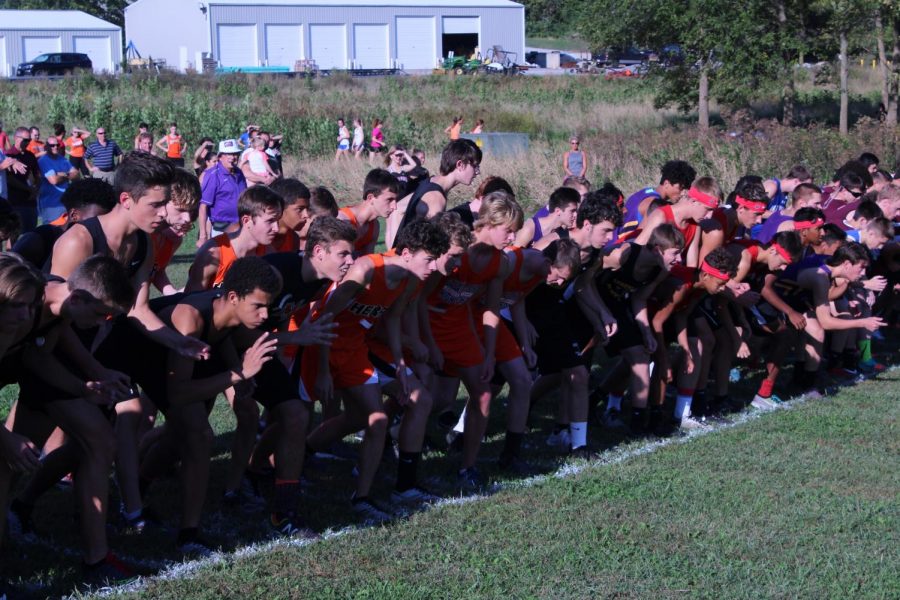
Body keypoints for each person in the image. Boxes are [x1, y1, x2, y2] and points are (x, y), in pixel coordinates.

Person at [2, 253, 138, 586]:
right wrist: (4, 437)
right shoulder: (20, 307)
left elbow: (38, 356)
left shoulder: (46, 305)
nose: (103, 323)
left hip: (31, 373)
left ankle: (93, 557)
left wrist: (89, 383)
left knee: (95, 442)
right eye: (100, 314)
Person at [304, 219, 450, 520]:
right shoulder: (366, 270)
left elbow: (393, 319)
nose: (434, 267)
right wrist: (323, 371)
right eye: (429, 259)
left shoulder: (410, 279)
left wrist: (399, 364)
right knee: (293, 416)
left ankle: (364, 495)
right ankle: (268, 469)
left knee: (370, 418)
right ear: (406, 253)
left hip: (355, 350)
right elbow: (324, 317)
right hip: (322, 347)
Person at [387, 139, 482, 248]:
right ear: (460, 165)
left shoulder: (431, 182)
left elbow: (398, 208)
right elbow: (432, 246)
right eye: (475, 166)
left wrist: (393, 249)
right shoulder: (436, 198)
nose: (477, 172)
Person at [187, 185, 282, 291]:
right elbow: (189, 303)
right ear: (246, 221)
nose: (277, 228)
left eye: (278, 221)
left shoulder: (268, 253)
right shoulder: (214, 253)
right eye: (270, 221)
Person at [13, 178, 117, 270]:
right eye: (97, 220)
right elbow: (6, 272)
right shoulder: (40, 239)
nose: (103, 225)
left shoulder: (104, 246)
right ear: (74, 215)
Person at [150, 168, 201, 295]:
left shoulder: (174, 241)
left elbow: (156, 271)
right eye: (180, 210)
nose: (187, 219)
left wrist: (173, 294)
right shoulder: (144, 234)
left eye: (190, 211)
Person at [620, 160, 697, 237]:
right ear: (666, 183)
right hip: (628, 244)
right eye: (681, 188)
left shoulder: (645, 192)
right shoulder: (654, 204)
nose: (683, 193)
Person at [338, 169, 399, 256]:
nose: (395, 207)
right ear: (370, 197)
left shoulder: (375, 227)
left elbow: (368, 263)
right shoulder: (342, 220)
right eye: (389, 200)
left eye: (396, 200)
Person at [198, 139, 247, 246]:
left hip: (242, 225)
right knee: (223, 261)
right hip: (222, 228)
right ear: (220, 157)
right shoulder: (213, 175)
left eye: (235, 154)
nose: (232, 157)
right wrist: (203, 236)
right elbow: (203, 207)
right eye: (228, 154)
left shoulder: (239, 173)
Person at [513, 187, 579, 248]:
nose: (575, 214)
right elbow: (514, 257)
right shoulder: (529, 228)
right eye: (572, 211)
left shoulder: (561, 234)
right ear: (558, 211)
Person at [5, 126, 41, 234]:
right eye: (25, 140)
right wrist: (28, 189)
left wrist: (35, 189)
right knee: (14, 234)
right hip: (15, 201)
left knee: (31, 233)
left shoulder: (30, 156)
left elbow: (37, 175)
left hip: (30, 201)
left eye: (29, 140)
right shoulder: (8, 155)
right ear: (16, 138)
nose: (28, 143)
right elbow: (8, 178)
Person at [37, 136, 79, 224]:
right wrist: (67, 175)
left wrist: (63, 174)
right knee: (52, 234)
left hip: (66, 203)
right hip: (51, 205)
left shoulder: (63, 159)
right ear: (47, 146)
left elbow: (76, 175)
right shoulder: (43, 161)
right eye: (52, 145)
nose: (55, 147)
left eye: (57, 145)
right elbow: (53, 181)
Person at [269, 178, 311, 253]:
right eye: (300, 209)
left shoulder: (294, 239)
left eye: (307, 209)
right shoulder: (257, 239)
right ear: (280, 207)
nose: (306, 215)